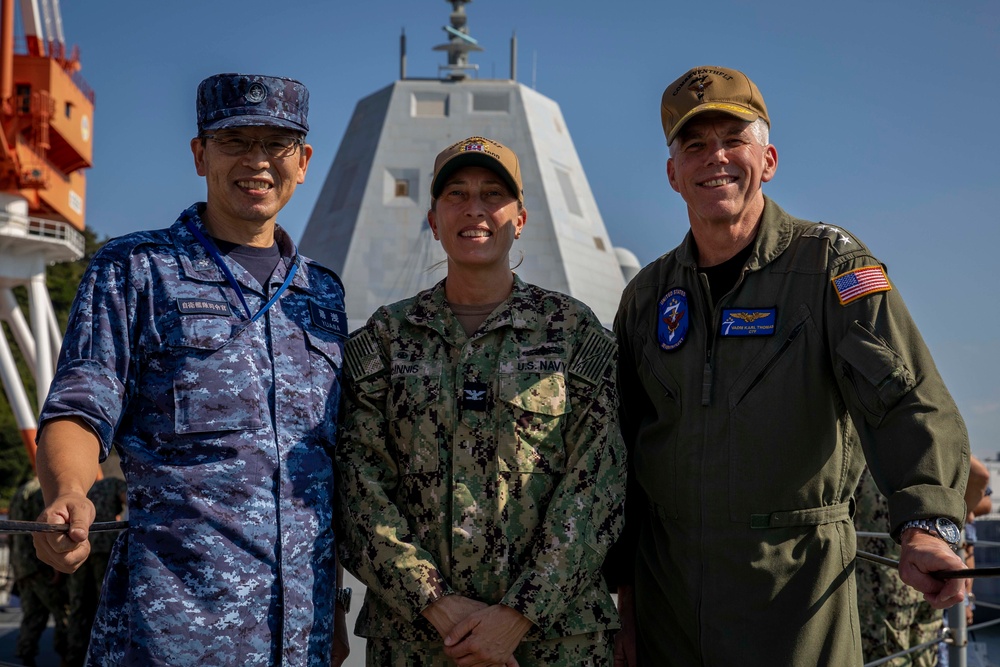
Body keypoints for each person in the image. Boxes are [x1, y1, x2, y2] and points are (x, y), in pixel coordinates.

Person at [608, 65, 970, 666]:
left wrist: (931, 522)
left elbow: (906, 398)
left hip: (797, 603)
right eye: (694, 145)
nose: (714, 158)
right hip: (668, 605)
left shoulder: (829, 267)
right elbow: (620, 454)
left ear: (768, 159)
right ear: (673, 174)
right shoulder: (646, 297)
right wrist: (625, 603)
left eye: (733, 141)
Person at [30, 73, 350, 666]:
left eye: (275, 145)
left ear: (302, 162)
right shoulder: (134, 270)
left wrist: (329, 615)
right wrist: (69, 490)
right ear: (201, 154)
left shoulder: (322, 294)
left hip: (300, 635)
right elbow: (80, 405)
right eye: (234, 142)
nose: (257, 162)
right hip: (175, 631)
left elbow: (323, 462)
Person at [335, 136, 626, 666]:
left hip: (553, 643)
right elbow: (358, 486)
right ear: (433, 218)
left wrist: (517, 615)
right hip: (418, 643)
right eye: (456, 194)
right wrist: (438, 605)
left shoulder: (572, 332)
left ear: (521, 217)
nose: (475, 209)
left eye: (493, 194)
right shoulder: (386, 337)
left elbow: (598, 485)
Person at [855, 465, 942, 666]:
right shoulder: (928, 466)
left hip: (881, 587)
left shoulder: (868, 467)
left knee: (887, 657)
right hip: (928, 581)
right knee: (924, 656)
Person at [64, 476, 126, 667]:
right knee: (105, 602)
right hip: (104, 548)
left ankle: (72, 656)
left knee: (78, 604)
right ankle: (105, 655)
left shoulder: (78, 490)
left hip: (77, 547)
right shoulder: (113, 483)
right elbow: (129, 498)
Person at [9, 475, 69, 666]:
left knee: (32, 614)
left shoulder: (20, 492)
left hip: (22, 565)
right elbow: (47, 530)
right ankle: (67, 655)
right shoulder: (41, 491)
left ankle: (25, 654)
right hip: (41, 564)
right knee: (63, 612)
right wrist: (56, 566)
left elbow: (12, 533)